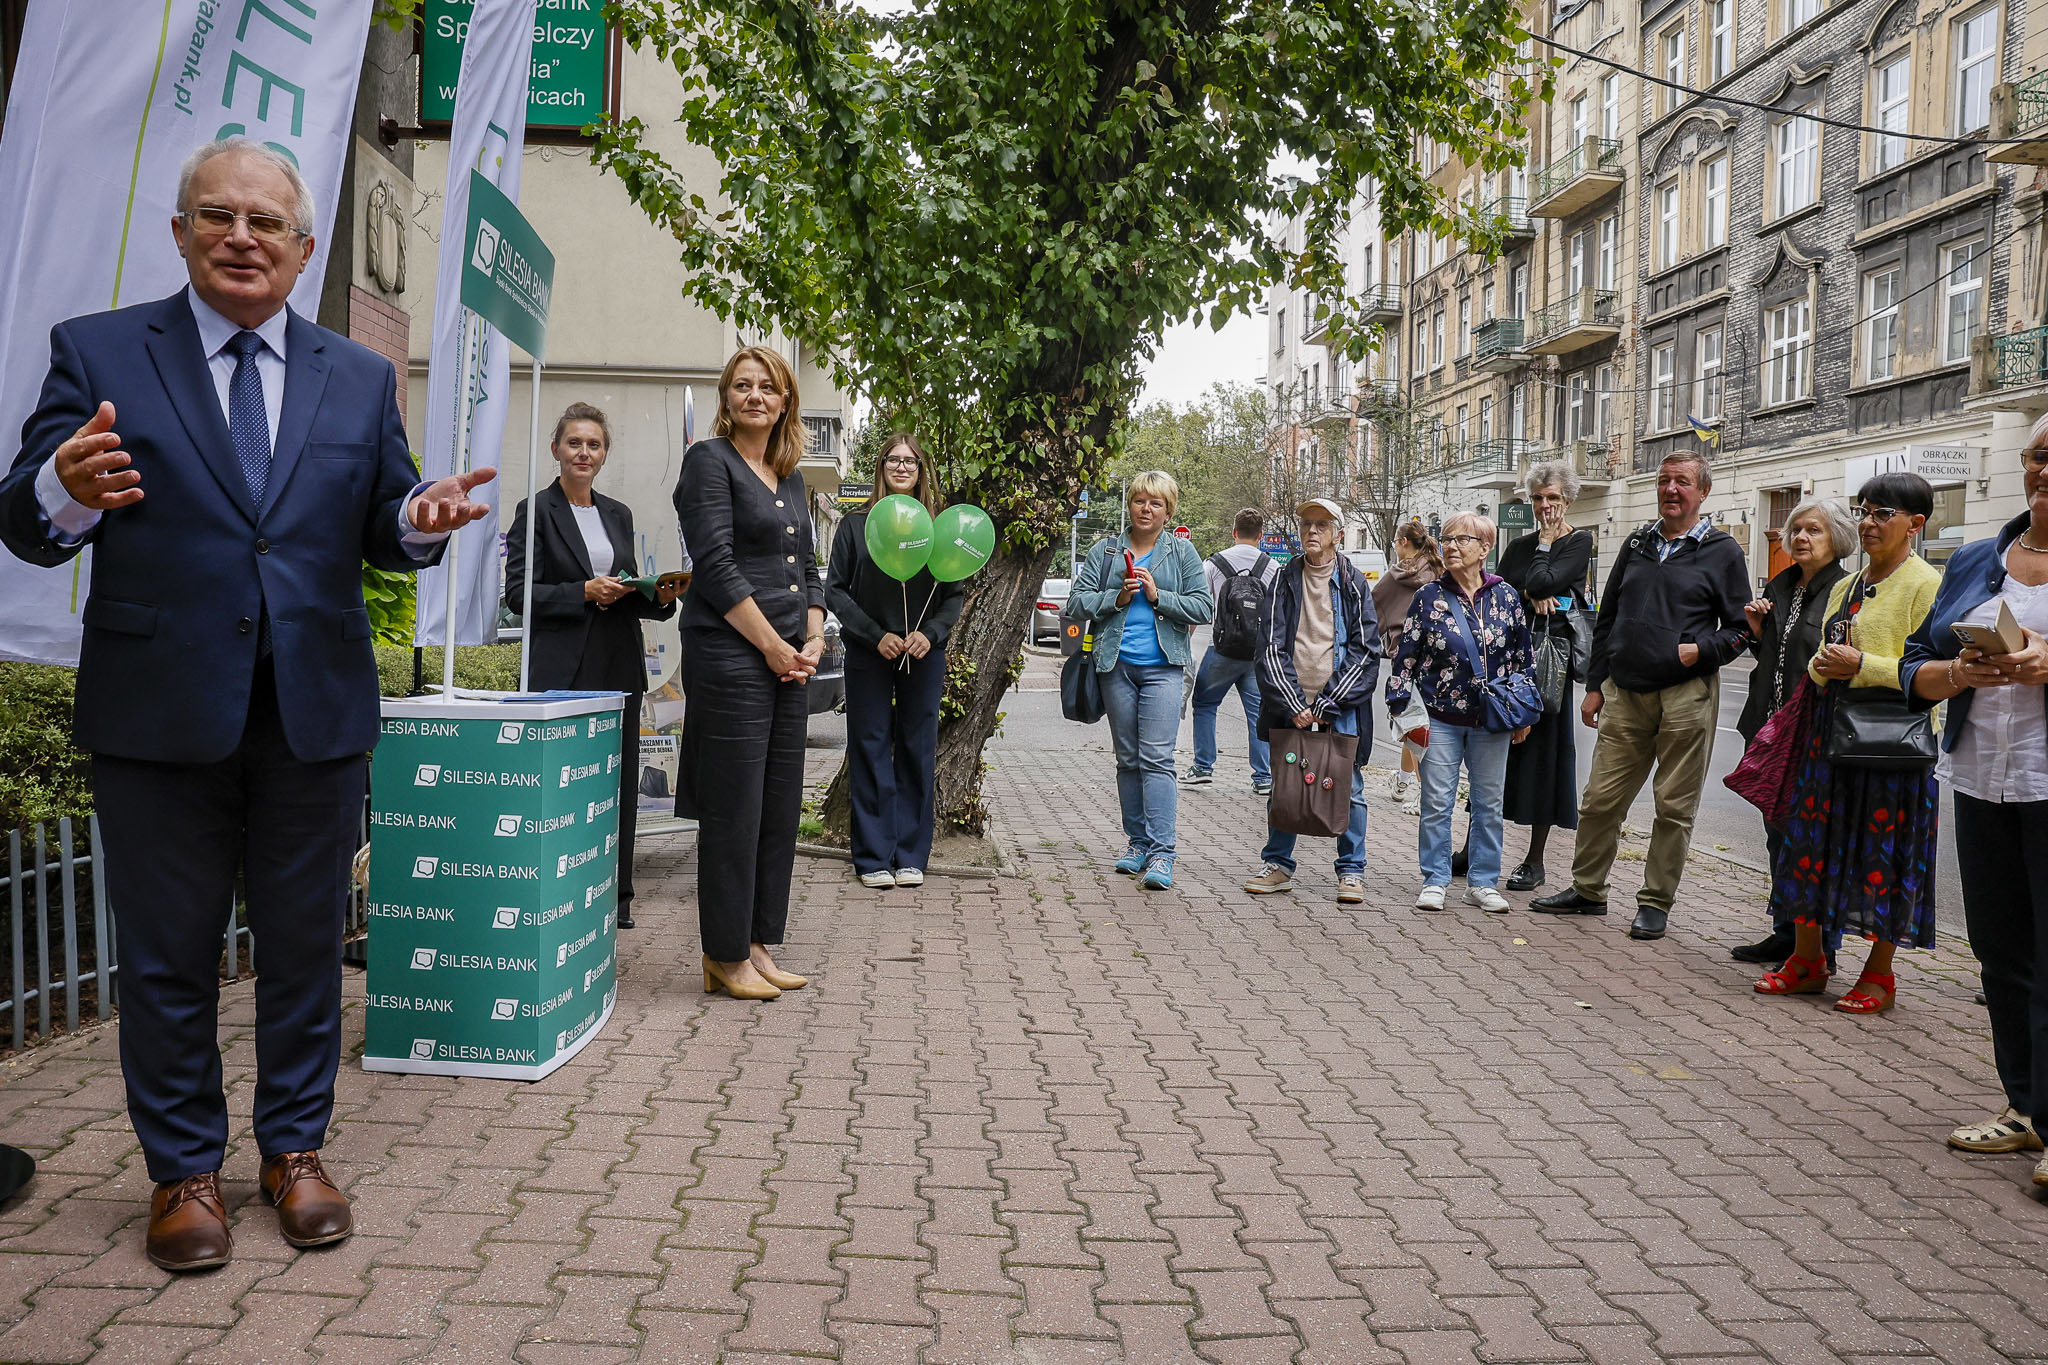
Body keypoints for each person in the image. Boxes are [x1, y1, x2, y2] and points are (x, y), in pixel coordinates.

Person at [0, 139, 494, 1270]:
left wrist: (416, 523)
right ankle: (182, 1173)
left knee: (308, 948)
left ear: (303, 249)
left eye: (267, 224)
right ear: (179, 232)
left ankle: (294, 1153)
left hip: (310, 713)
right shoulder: (102, 350)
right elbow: (26, 518)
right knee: (167, 957)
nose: (241, 237)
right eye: (216, 216)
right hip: (158, 713)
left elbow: (381, 511)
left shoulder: (357, 375)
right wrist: (60, 493)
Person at [1903, 420, 2048, 1178]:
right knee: (2002, 952)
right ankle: (2025, 1108)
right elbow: (1914, 669)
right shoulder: (1974, 559)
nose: (2047, 471)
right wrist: (1958, 674)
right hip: (1981, 777)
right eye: (2040, 456)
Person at [1531, 452, 1750, 941]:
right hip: (1625, 693)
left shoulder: (1722, 551)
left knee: (1673, 806)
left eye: (1683, 482)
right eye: (1665, 480)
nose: (1671, 489)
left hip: (1685, 695)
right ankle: (1588, 890)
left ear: (1702, 492)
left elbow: (1742, 630)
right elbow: (1607, 618)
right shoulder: (1637, 541)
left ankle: (1655, 902)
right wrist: (1594, 685)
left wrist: (1701, 651)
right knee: (1600, 800)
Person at [1751, 474, 1940, 1012]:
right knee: (1810, 847)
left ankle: (1879, 976)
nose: (1869, 522)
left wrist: (1863, 665)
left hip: (1891, 746)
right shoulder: (1846, 584)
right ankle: (1808, 960)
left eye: (1882, 513)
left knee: (1884, 858)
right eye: (1865, 511)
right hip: (1828, 732)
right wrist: (1823, 665)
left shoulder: (1926, 585)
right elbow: (1821, 654)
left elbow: (1931, 670)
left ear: (1915, 524)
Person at [674, 347, 823, 1000]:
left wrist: (813, 636)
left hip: (790, 656)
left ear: (786, 400)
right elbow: (714, 564)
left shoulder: (789, 474)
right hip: (734, 654)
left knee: (776, 807)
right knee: (734, 811)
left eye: (768, 386)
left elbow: (811, 570)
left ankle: (759, 944)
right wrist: (770, 644)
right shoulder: (708, 462)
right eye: (743, 385)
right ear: (726, 399)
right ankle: (724, 955)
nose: (756, 395)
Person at [504, 402, 681, 929]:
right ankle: (557, 896)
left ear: (604, 454)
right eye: (575, 443)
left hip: (618, 662)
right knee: (562, 784)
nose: (584, 452)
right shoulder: (534, 510)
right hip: (562, 670)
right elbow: (518, 594)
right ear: (556, 449)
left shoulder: (617, 514)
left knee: (618, 780)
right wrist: (582, 591)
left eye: (594, 444)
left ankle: (617, 896)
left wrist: (661, 597)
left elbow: (625, 587)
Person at [826, 434, 963, 889]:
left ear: (923, 470)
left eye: (912, 461)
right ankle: (871, 856)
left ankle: (910, 854)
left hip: (923, 654)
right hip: (870, 653)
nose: (902, 467)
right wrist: (874, 634)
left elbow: (953, 594)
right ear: (881, 465)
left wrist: (930, 633)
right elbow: (836, 592)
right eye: (894, 460)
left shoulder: (940, 529)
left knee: (916, 748)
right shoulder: (855, 525)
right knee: (869, 746)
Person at [1067, 471, 1214, 889]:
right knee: (1128, 760)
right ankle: (1137, 844)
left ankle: (1163, 854)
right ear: (1129, 505)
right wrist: (1116, 598)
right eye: (1139, 501)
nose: (1146, 509)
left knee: (1157, 759)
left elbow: (1203, 608)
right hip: (1115, 666)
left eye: (1156, 503)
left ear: (1168, 512)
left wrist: (1157, 597)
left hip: (1164, 668)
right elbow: (1077, 603)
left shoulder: (1181, 553)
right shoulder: (1107, 550)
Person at [1384, 512, 1534, 914]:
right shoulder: (1428, 597)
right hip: (1440, 718)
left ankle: (1482, 883)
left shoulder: (1506, 597)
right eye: (1445, 538)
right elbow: (1406, 657)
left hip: (1493, 720)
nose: (1449, 545)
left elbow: (1523, 659)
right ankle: (1434, 879)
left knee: (1489, 804)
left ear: (1484, 549)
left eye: (1460, 539)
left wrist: (1523, 715)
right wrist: (1401, 710)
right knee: (1437, 802)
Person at [1728, 498, 1854, 967]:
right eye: (1796, 529)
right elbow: (1777, 661)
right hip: (1771, 730)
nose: (1801, 537)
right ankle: (1787, 932)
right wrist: (1760, 632)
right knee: (1777, 834)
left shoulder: (1846, 590)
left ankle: (1822, 946)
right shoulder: (1781, 588)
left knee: (1814, 841)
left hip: (1815, 734)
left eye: (1814, 530)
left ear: (1836, 538)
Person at [1242, 499, 1381, 904]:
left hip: (1340, 706)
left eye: (1321, 525)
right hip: (1291, 703)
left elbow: (1366, 651)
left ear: (1338, 533)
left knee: (1349, 786)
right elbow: (1268, 647)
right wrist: (1293, 703)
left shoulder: (1354, 583)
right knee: (1284, 787)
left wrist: (1326, 704)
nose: (1312, 531)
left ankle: (1351, 871)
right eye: (1306, 524)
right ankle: (1278, 865)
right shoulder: (1283, 579)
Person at [1493, 464, 1593, 891]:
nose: (1544, 506)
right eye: (1537, 499)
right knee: (1493, 755)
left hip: (1548, 664)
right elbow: (1498, 589)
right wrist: (1531, 592)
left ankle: (1534, 860)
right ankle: (1478, 846)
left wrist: (1547, 546)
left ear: (1567, 500)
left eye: (1552, 498)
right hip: (1508, 660)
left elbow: (1541, 578)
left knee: (1545, 755)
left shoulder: (1578, 541)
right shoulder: (1518, 545)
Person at [1185, 507, 1278, 793]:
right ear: (1261, 536)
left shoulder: (1213, 564)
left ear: (1234, 532)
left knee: (1204, 704)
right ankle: (1263, 777)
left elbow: (1199, 608)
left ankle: (1203, 767)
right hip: (1256, 653)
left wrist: (1185, 645)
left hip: (1222, 650)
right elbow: (1279, 613)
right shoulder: (1272, 567)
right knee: (1257, 713)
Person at [1372, 521, 1440, 816]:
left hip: (1407, 658)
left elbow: (1370, 611)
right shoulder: (1438, 569)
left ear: (1401, 542)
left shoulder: (1395, 576)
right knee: (1417, 725)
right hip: (1439, 657)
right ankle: (1402, 782)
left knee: (1413, 724)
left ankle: (1426, 796)